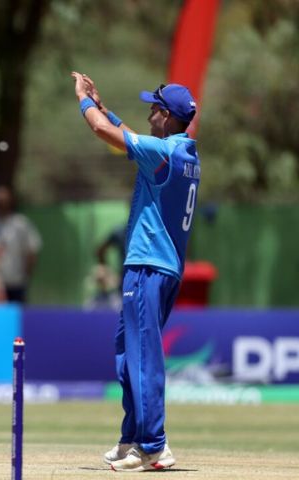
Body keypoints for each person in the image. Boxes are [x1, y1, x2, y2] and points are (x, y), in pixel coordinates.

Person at [72, 72, 200, 472]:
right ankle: (132, 438)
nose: (148, 116)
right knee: (128, 355)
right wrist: (107, 107)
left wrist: (84, 102)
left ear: (166, 116)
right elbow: (127, 135)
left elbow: (100, 131)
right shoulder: (182, 153)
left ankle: (155, 446)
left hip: (149, 266)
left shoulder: (163, 154)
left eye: (153, 110)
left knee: (143, 358)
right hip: (159, 267)